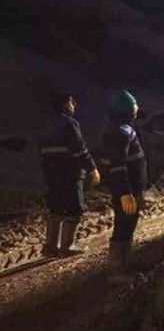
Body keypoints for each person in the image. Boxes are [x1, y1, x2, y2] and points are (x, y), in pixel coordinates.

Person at [38, 91, 100, 257]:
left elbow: (42, 152)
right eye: (72, 102)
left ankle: (51, 246)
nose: (74, 105)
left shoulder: (46, 125)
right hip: (69, 173)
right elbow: (79, 150)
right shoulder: (70, 124)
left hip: (51, 174)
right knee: (74, 208)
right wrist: (92, 168)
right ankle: (67, 246)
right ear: (65, 104)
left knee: (56, 208)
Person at [98, 90, 150, 281]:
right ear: (127, 110)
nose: (137, 109)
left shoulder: (121, 129)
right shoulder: (121, 132)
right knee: (124, 225)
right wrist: (124, 192)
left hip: (131, 188)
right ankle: (116, 270)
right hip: (127, 190)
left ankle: (126, 263)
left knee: (129, 223)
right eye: (134, 106)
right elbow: (117, 167)